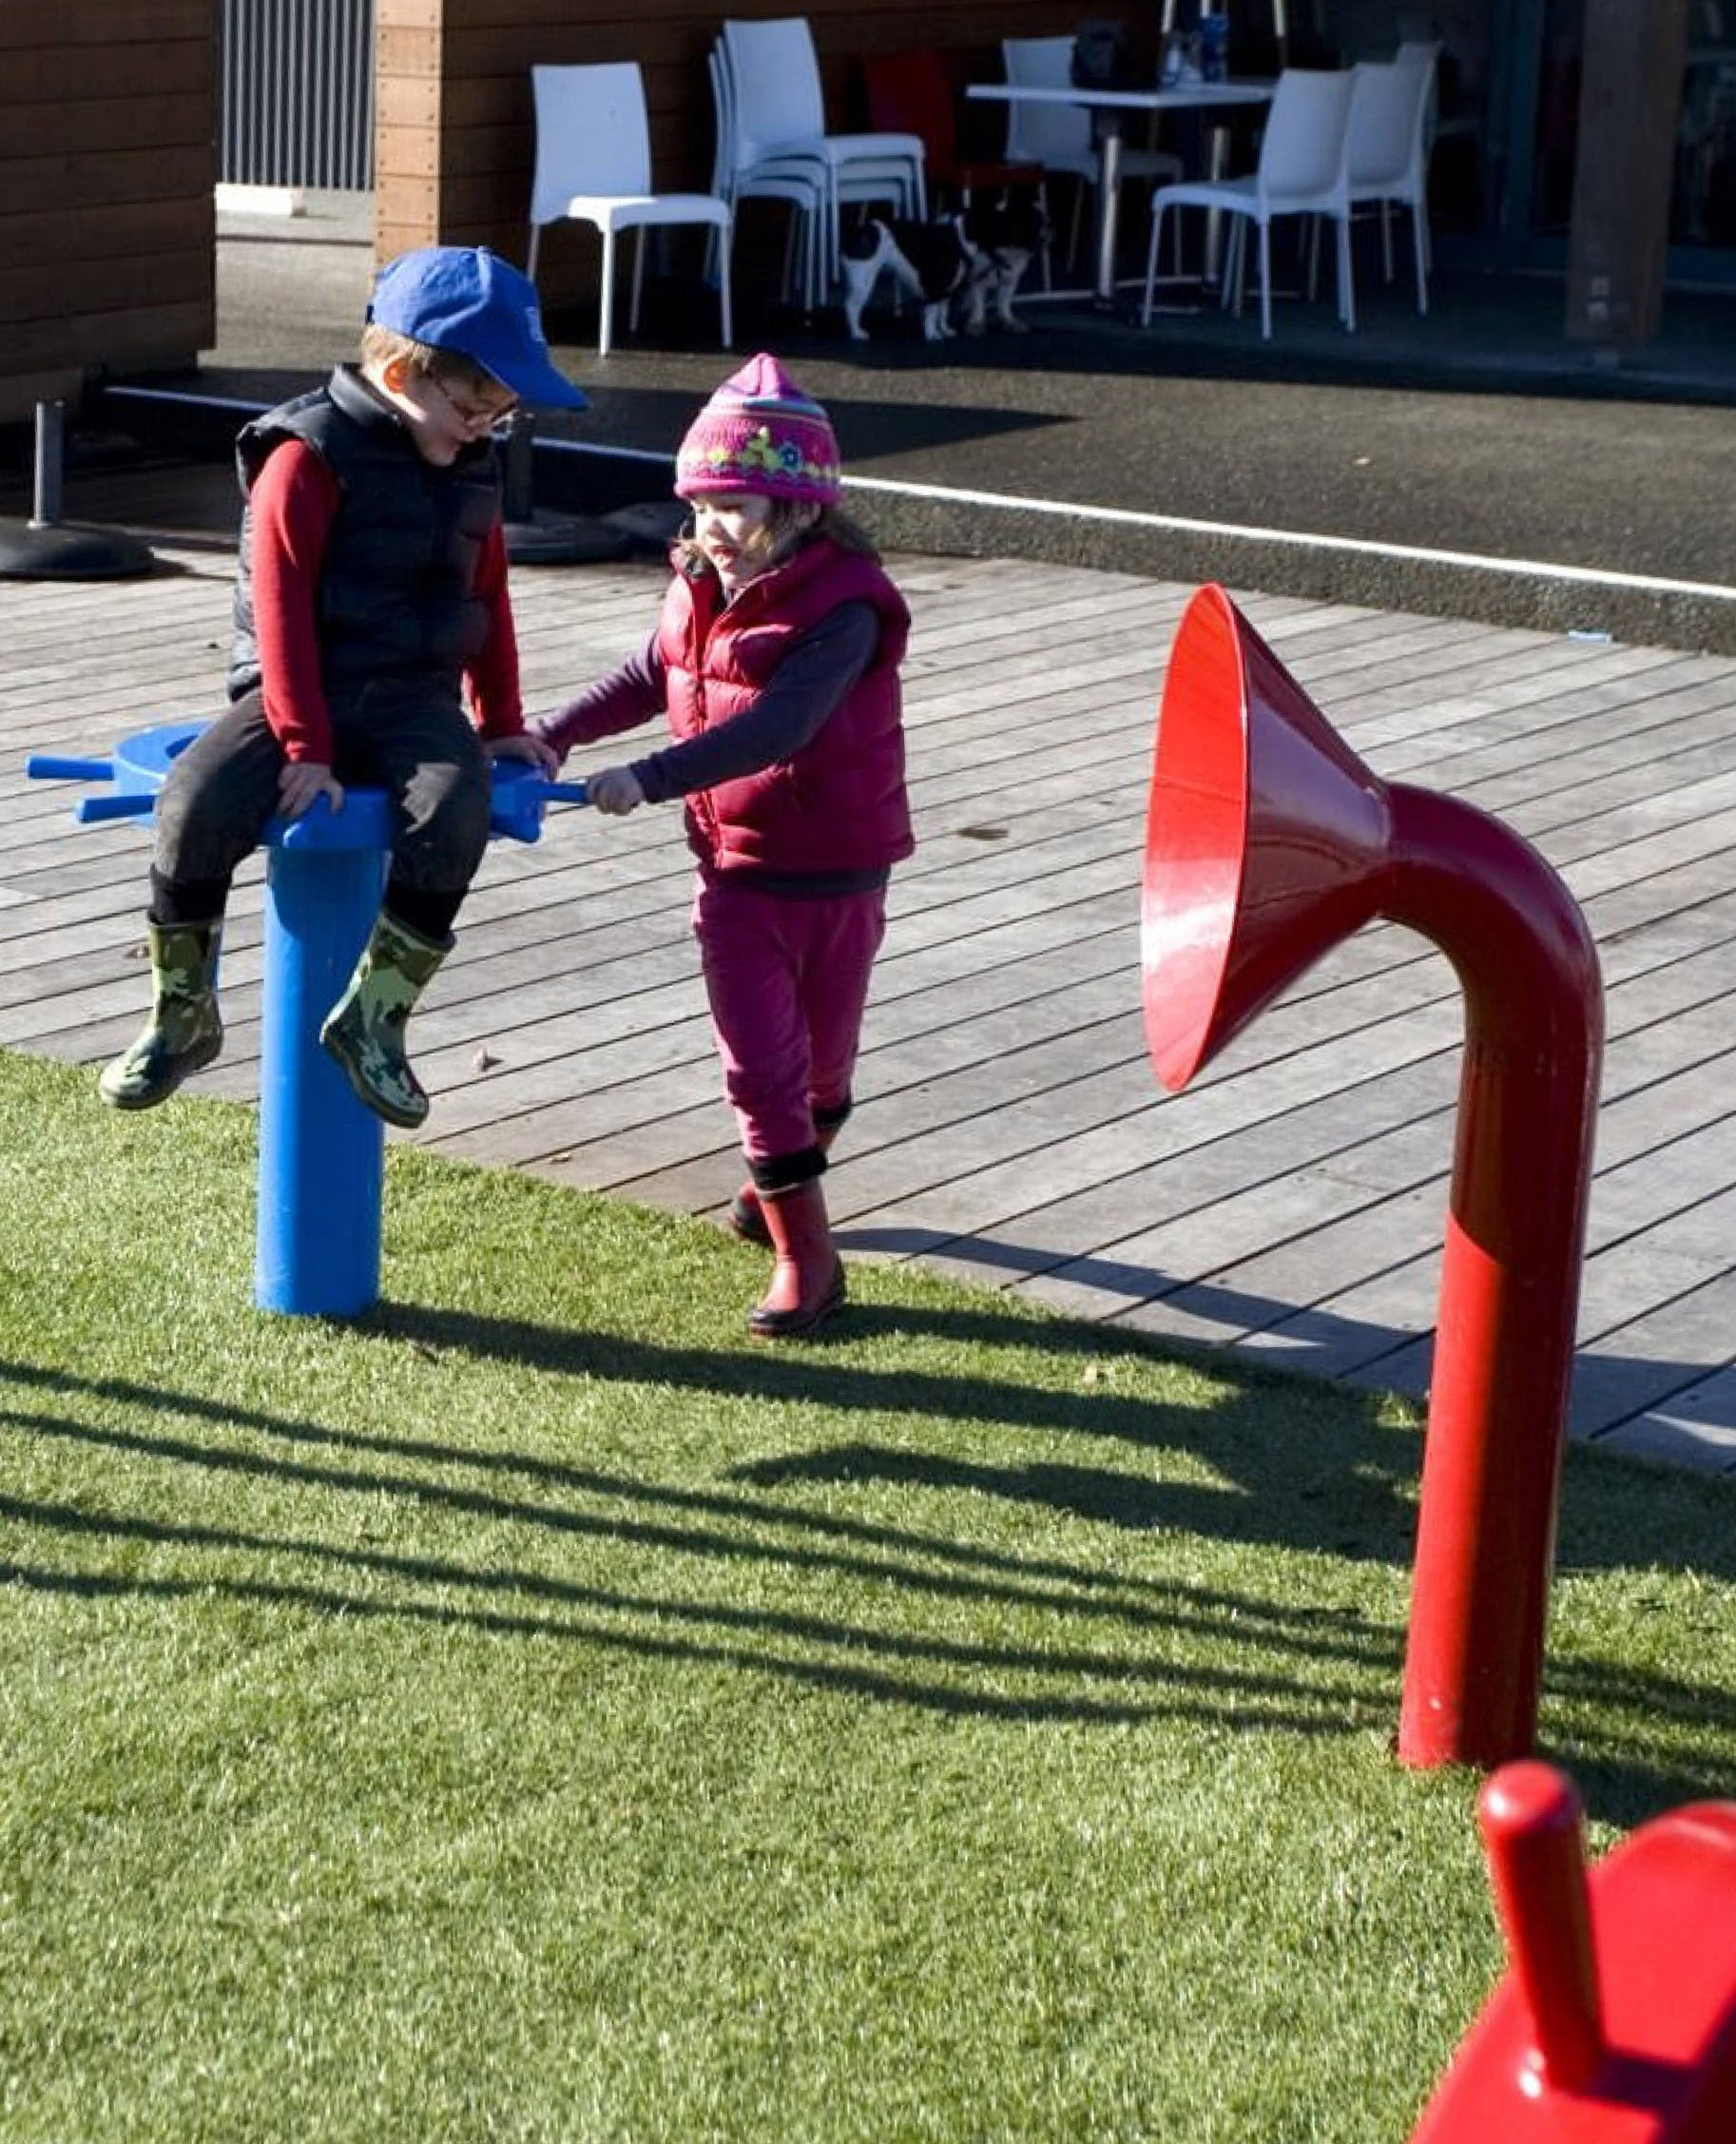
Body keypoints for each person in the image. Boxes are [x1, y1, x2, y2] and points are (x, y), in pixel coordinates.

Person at [99, 244, 584, 1130]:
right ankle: (182, 1013)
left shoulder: (469, 461)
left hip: (412, 695)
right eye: (473, 407)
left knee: (454, 809)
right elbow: (280, 610)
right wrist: (303, 747)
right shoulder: (307, 457)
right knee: (193, 801)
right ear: (400, 373)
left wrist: (501, 720)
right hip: (297, 690)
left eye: (500, 415)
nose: (483, 428)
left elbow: (488, 592)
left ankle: (374, 1019)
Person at [531, 354, 914, 1341]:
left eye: (732, 506)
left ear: (798, 508)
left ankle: (775, 1186)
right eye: (697, 504)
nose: (709, 528)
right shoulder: (695, 585)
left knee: (823, 1072)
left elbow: (780, 726)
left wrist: (651, 778)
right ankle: (807, 1258)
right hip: (735, 874)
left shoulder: (842, 608)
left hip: (838, 867)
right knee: (760, 1069)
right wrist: (558, 732)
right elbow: (645, 670)